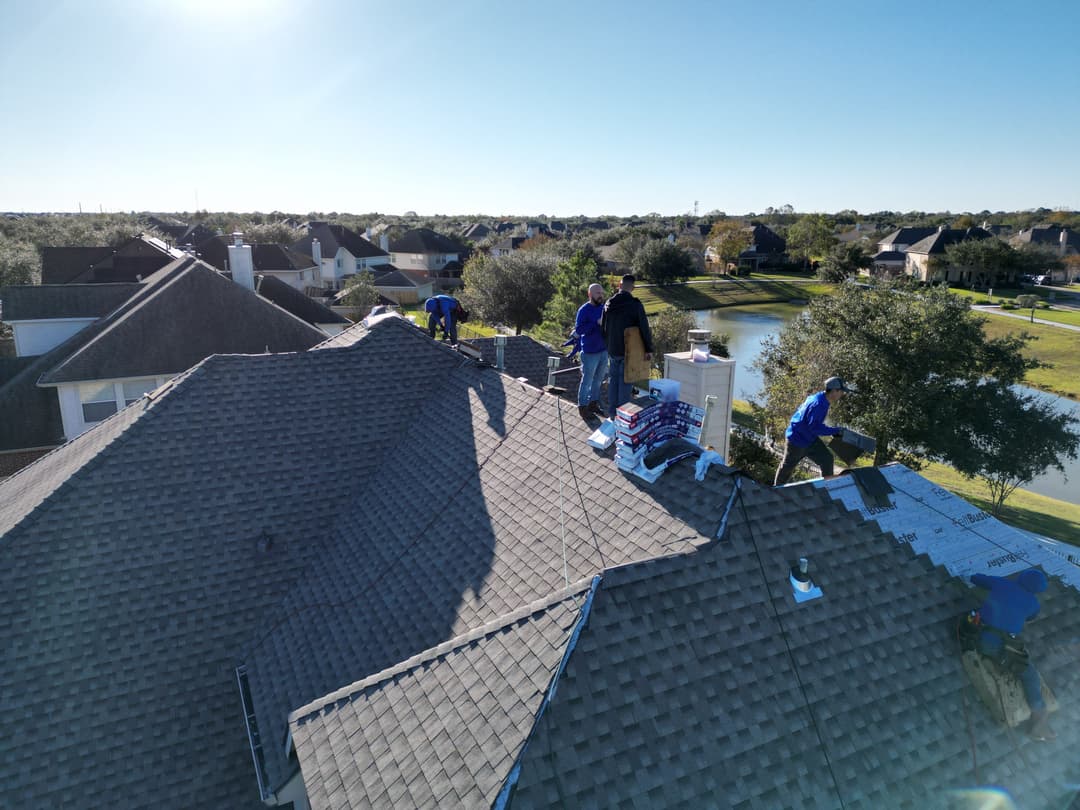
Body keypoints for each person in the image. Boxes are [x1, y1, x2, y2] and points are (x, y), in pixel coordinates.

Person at [970, 568, 1053, 740]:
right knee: (1029, 675)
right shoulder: (1033, 604)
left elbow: (975, 577)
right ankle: (1039, 723)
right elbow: (1030, 617)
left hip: (978, 633)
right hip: (993, 646)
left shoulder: (1002, 583)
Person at [773, 376, 851, 486]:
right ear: (834, 391)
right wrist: (834, 431)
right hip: (797, 440)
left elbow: (814, 424)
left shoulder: (821, 398)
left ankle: (827, 487)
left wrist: (832, 431)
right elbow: (814, 427)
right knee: (787, 467)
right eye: (841, 391)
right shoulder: (819, 404)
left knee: (827, 459)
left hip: (809, 439)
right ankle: (776, 489)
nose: (842, 394)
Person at [601, 274, 653, 418]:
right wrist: (648, 349)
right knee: (625, 384)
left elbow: (603, 328)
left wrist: (608, 345)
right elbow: (644, 328)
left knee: (613, 383)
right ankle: (622, 417)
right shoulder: (635, 305)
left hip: (612, 350)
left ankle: (612, 414)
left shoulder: (608, 303)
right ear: (633, 288)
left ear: (619, 285)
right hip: (628, 351)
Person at [574, 283, 609, 419]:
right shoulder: (584, 310)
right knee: (587, 381)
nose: (600, 295)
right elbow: (579, 330)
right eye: (597, 293)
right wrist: (595, 323)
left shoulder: (603, 308)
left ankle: (593, 404)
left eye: (601, 293)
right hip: (590, 352)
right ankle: (582, 407)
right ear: (590, 295)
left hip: (603, 350)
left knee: (598, 380)